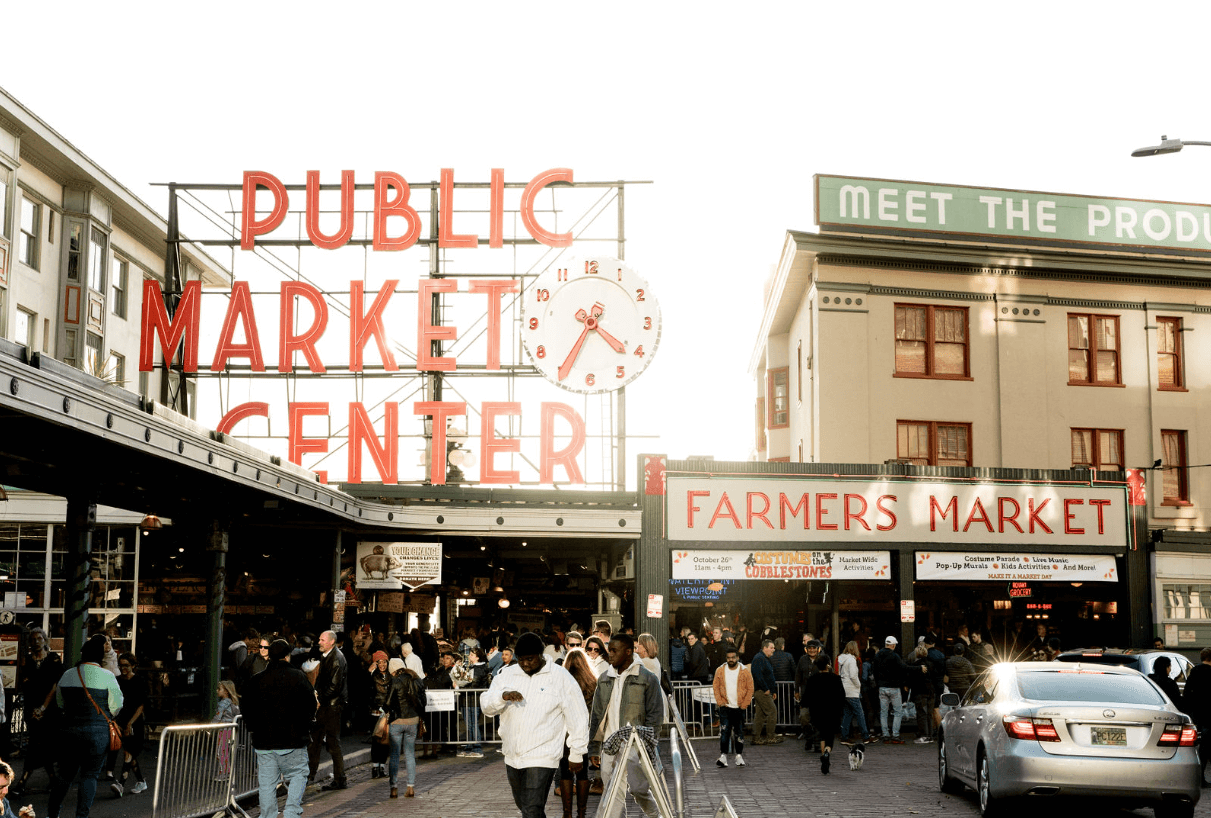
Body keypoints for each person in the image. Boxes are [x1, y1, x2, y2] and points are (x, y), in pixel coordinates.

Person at [482, 632, 589, 818]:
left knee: (531, 808)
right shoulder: (507, 675)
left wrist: (577, 752)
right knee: (526, 807)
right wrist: (503, 696)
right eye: (521, 660)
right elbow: (486, 706)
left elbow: (578, 716)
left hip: (543, 755)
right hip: (512, 755)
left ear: (540, 654)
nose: (525, 664)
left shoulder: (560, 677)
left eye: (530, 659)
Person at [46, 633, 123, 818]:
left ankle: (53, 813)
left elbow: (60, 703)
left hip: (69, 732)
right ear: (100, 656)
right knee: (90, 776)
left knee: (65, 775)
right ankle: (81, 816)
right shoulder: (108, 676)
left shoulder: (67, 675)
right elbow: (116, 705)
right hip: (98, 733)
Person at [588, 634, 664, 817]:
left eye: (614, 651)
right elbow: (597, 716)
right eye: (609, 651)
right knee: (612, 792)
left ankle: (656, 815)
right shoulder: (604, 679)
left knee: (639, 789)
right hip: (609, 744)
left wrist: (649, 744)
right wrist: (594, 748)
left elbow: (655, 716)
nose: (610, 655)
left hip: (636, 744)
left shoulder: (647, 678)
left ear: (628, 652)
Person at [243, 639, 318, 818]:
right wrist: (306, 726)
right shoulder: (298, 677)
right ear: (287, 656)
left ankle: (268, 815)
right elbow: (310, 705)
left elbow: (246, 707)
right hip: (293, 739)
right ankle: (291, 812)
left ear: (269, 656)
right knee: (299, 774)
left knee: (267, 784)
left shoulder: (257, 680)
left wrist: (254, 728)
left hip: (264, 742)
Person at [14, 627, 62, 796]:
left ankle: (22, 781)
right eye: (33, 639)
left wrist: (42, 707)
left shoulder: (54, 659)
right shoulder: (27, 660)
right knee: (40, 744)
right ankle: (53, 779)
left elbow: (55, 685)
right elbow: (25, 684)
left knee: (38, 744)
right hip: (31, 709)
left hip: (49, 710)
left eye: (39, 638)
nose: (36, 642)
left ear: (45, 639)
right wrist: (34, 708)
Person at [307, 630, 349, 790]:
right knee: (317, 740)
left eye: (322, 640)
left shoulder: (336, 659)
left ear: (331, 642)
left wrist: (319, 698)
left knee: (330, 742)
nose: (319, 642)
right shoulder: (329, 656)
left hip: (331, 706)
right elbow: (323, 681)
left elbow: (334, 686)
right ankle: (310, 775)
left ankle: (339, 778)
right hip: (327, 705)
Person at [559, 649, 596, 818]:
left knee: (565, 772)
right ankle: (582, 812)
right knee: (583, 773)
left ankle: (567, 813)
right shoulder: (592, 683)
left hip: (564, 733)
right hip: (584, 733)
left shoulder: (562, 682)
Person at [383, 659, 426, 799]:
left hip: (398, 720)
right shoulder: (416, 679)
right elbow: (423, 702)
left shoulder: (395, 681)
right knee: (410, 754)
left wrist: (384, 709)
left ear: (393, 670)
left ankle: (394, 787)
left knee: (395, 755)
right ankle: (411, 787)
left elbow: (388, 702)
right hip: (413, 720)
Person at [110, 653, 148, 796]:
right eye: (121, 665)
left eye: (126, 665)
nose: (123, 668)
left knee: (129, 752)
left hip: (135, 721)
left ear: (133, 665)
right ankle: (141, 782)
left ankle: (121, 784)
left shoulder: (139, 681)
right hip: (121, 720)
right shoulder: (117, 680)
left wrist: (130, 723)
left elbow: (141, 705)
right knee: (129, 753)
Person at [712, 648, 752, 767]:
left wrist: (745, 703)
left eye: (733, 657)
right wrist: (720, 702)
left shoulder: (744, 671)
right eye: (728, 658)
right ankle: (723, 756)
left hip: (739, 707)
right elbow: (716, 686)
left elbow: (750, 688)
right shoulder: (720, 670)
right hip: (725, 706)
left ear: (737, 658)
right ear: (726, 658)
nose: (731, 660)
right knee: (724, 731)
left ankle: (739, 756)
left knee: (739, 732)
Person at [804, 655, 844, 774]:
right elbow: (841, 696)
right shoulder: (836, 678)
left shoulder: (812, 679)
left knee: (821, 734)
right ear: (828, 664)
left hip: (817, 711)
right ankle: (827, 752)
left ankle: (824, 756)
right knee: (830, 736)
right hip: (832, 711)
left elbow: (807, 696)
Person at [1183, 647, 1211, 786]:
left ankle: (1198, 777)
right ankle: (1200, 778)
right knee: (1206, 746)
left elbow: (1187, 692)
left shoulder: (1195, 671)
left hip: (1198, 712)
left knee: (1201, 745)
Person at [421, 652, 455, 758]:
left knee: (428, 731)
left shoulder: (424, 681)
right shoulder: (440, 674)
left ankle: (427, 752)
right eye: (444, 658)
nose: (445, 660)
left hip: (431, 708)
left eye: (448, 658)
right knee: (436, 729)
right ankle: (435, 751)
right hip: (439, 707)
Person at [873, 635, 906, 744]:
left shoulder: (878, 655)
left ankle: (885, 734)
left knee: (883, 712)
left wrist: (878, 683)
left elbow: (875, 671)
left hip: (882, 687)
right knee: (898, 712)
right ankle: (895, 735)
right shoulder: (895, 656)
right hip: (894, 687)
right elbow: (903, 668)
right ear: (892, 645)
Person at [837, 640, 871, 744]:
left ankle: (844, 736)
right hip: (852, 690)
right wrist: (858, 685)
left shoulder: (841, 659)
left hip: (844, 689)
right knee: (860, 713)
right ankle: (865, 736)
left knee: (847, 713)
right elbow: (853, 676)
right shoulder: (851, 660)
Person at [457, 647, 489, 758]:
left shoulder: (479, 668)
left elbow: (473, 683)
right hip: (468, 698)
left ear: (477, 657)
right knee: (469, 724)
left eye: (472, 654)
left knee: (473, 723)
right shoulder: (471, 667)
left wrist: (461, 682)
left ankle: (477, 747)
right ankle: (470, 746)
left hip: (473, 698)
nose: (469, 656)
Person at [749, 640, 779, 745]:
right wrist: (766, 688)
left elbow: (767, 676)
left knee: (760, 715)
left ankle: (756, 737)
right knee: (772, 711)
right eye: (771, 647)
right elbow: (758, 675)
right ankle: (770, 736)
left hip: (762, 690)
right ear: (764, 648)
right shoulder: (759, 658)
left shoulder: (762, 658)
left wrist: (773, 690)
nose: (773, 650)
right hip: (762, 691)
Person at [368, 651, 392, 779]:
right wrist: (368, 673)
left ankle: (382, 766)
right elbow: (366, 691)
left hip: (388, 713)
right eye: (379, 662)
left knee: (385, 741)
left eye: (384, 662)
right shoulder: (372, 676)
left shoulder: (390, 676)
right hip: (375, 713)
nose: (382, 665)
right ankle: (374, 767)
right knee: (376, 741)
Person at [907, 644, 935, 744]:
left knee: (921, 714)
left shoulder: (915, 665)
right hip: (931, 691)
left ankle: (924, 735)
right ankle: (930, 735)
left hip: (919, 692)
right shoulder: (931, 664)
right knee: (929, 714)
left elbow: (911, 679)